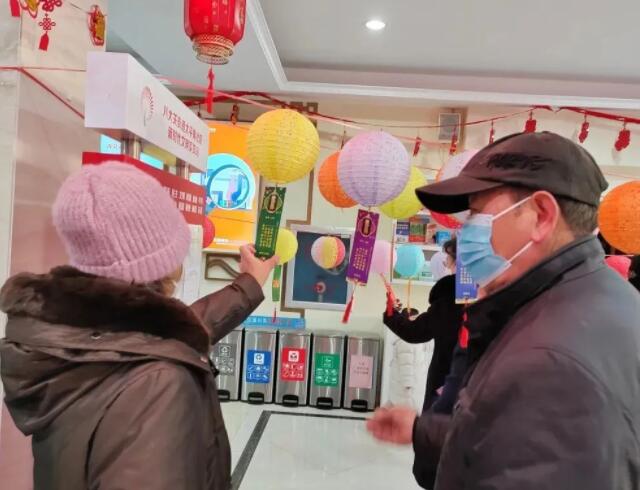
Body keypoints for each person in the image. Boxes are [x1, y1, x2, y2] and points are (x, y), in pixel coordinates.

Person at [368, 132, 640, 489]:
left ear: (541, 216)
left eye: (477, 215)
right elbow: (512, 436)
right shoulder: (595, 299)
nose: (466, 234)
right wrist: (422, 430)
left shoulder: (550, 358)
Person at [0, 162, 278, 490]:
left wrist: (248, 284)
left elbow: (164, 335)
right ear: (160, 260)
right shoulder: (157, 385)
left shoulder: (73, 337)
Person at [382, 238, 463, 412]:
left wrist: (391, 314)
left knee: (438, 425)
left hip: (446, 379)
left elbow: (415, 332)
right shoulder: (489, 293)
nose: (445, 263)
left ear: (457, 262)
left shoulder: (448, 297)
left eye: (448, 258)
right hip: (480, 383)